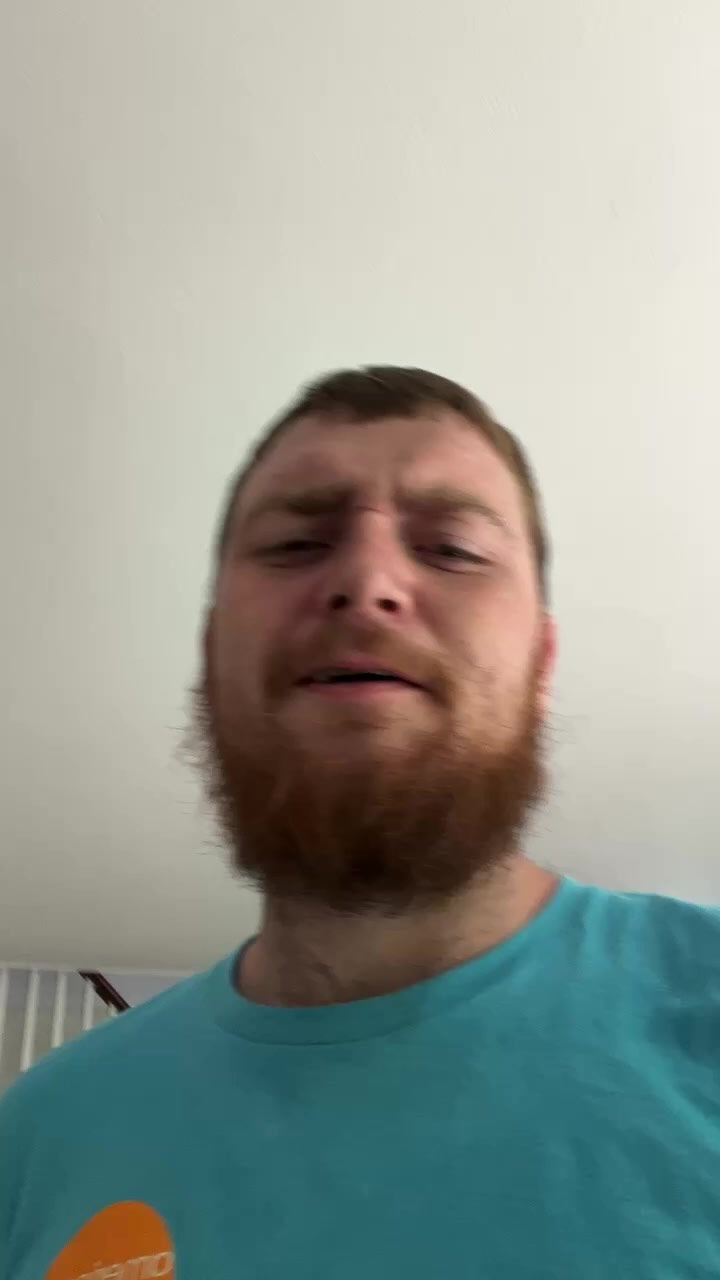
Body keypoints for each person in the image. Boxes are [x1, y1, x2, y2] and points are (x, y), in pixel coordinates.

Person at [1, 366, 718, 1279]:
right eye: (296, 543)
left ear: (541, 663)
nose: (368, 580)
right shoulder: (38, 1140)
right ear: (212, 654)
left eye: (453, 548)